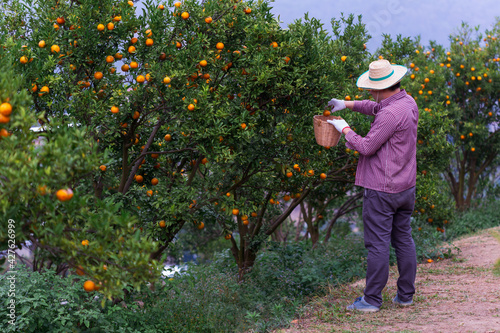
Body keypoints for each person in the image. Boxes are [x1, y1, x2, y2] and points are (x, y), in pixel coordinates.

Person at [327, 59, 419, 312]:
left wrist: (344, 129)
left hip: (382, 188)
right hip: (405, 186)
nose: (368, 93)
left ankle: (371, 300)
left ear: (381, 88)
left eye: (371, 89)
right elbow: (374, 108)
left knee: (377, 244)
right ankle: (405, 295)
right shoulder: (407, 102)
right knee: (403, 238)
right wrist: (346, 104)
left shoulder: (389, 113)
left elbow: (367, 146)